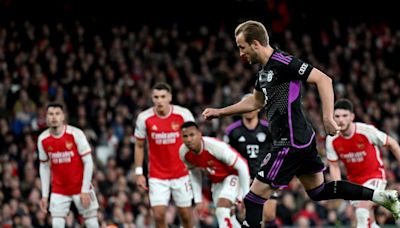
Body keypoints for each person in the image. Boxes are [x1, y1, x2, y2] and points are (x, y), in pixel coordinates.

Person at [202, 20, 400, 227]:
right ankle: (382, 197)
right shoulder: (263, 72)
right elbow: (256, 101)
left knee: (253, 199)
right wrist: (220, 112)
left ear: (255, 44)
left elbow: (324, 80)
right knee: (318, 191)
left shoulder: (283, 62)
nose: (241, 53)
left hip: (290, 141)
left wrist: (327, 117)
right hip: (301, 140)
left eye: (242, 47)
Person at [326, 98, 400, 228]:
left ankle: (391, 202)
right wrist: (338, 187)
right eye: (337, 116)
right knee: (369, 223)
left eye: (345, 115)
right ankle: (391, 203)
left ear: (352, 117)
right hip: (354, 183)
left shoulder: (366, 131)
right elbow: (333, 165)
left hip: (375, 176)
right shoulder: (331, 139)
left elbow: (393, 144)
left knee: (361, 211)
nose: (340, 120)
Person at [134, 82, 195, 228]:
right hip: (157, 175)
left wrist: (196, 166)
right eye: (156, 97)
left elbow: (195, 140)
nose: (159, 100)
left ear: (170, 97)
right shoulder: (144, 118)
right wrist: (138, 173)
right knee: (159, 216)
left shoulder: (183, 114)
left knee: (186, 217)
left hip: (181, 173)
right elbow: (139, 145)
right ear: (152, 98)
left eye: (163, 96)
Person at [37, 102, 99, 228]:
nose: (54, 117)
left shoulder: (76, 134)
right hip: (59, 189)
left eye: (57, 114)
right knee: (57, 223)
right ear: (46, 117)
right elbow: (44, 166)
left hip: (80, 187)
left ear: (63, 116)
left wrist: (85, 189)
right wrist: (44, 195)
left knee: (91, 221)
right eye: (50, 114)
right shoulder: (42, 139)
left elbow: (88, 162)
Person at [179, 121, 250, 228]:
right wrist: (198, 200)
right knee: (226, 216)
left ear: (199, 134)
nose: (189, 139)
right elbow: (194, 173)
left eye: (192, 135)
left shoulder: (215, 146)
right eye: (185, 136)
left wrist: (246, 195)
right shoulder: (184, 153)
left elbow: (242, 165)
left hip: (233, 176)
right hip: (217, 182)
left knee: (222, 208)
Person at [224, 94, 278, 228]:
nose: (248, 108)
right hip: (242, 179)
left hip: (265, 177)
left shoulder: (268, 128)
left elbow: (277, 152)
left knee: (269, 215)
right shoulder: (232, 131)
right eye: (245, 105)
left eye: (252, 104)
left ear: (259, 107)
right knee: (248, 217)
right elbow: (226, 156)